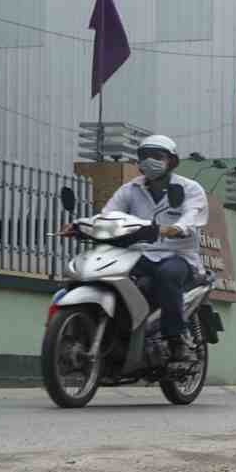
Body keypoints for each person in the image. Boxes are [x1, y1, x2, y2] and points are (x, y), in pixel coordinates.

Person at [82, 135, 208, 362]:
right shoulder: (129, 189)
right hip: (138, 254)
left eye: (158, 157)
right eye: (145, 156)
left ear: (171, 161)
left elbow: (192, 216)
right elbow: (108, 215)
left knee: (167, 274)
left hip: (178, 256)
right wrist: (81, 226)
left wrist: (174, 228)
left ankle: (175, 339)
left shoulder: (190, 189)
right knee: (105, 273)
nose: (151, 161)